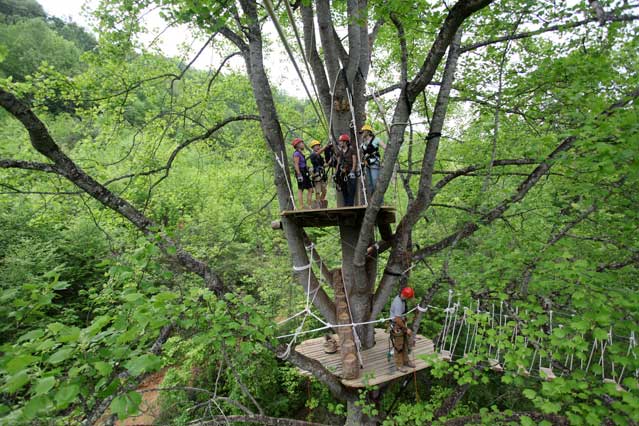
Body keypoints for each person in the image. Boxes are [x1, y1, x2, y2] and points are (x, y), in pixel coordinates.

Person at [389, 286, 416, 372]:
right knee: (399, 346)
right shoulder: (398, 303)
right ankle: (399, 365)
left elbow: (401, 315)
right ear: (406, 296)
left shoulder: (402, 299)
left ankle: (406, 361)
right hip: (397, 325)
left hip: (401, 323)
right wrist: (406, 329)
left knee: (405, 344)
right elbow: (397, 319)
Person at [359, 124, 387, 195]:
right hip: (366, 164)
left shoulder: (376, 140)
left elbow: (385, 147)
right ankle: (372, 200)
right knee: (369, 185)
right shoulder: (363, 143)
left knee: (375, 183)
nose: (362, 133)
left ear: (368, 132)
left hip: (374, 163)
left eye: (363, 132)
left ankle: (378, 200)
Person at [335, 133, 357, 207]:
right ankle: (346, 204)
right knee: (344, 188)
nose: (340, 143)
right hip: (342, 172)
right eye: (340, 141)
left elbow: (354, 161)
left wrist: (353, 171)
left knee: (352, 188)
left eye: (341, 141)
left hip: (350, 171)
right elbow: (338, 163)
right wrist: (336, 173)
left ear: (345, 142)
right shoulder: (339, 152)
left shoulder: (351, 150)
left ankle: (350, 204)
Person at [291, 138, 313, 209]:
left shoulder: (301, 153)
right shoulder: (296, 154)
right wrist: (299, 174)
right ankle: (301, 206)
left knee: (310, 188)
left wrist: (308, 168)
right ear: (297, 145)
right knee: (301, 189)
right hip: (301, 172)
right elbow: (296, 164)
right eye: (301, 143)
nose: (303, 144)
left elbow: (303, 163)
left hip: (305, 171)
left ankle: (309, 205)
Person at [309, 139, 329, 209]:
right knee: (317, 191)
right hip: (317, 175)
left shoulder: (320, 156)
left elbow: (323, 165)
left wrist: (330, 162)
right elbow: (318, 153)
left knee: (324, 190)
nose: (318, 147)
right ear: (313, 147)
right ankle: (317, 205)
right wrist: (325, 146)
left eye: (318, 145)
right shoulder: (312, 154)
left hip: (322, 174)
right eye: (316, 146)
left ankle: (320, 202)